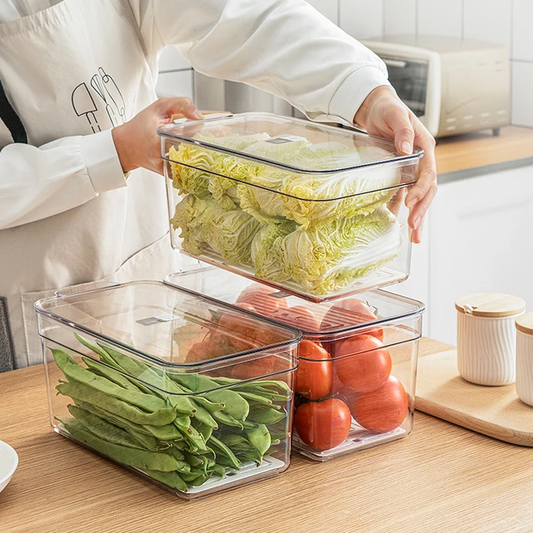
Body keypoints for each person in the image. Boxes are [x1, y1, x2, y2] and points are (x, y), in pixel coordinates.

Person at [0, 0, 437, 369]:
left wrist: (365, 94)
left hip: (139, 269)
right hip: (16, 316)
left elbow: (241, 13)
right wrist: (113, 153)